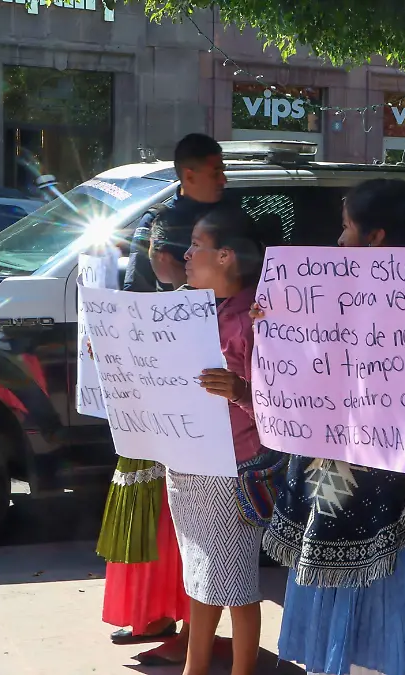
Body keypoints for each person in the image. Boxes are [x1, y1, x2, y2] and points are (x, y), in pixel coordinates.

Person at [260, 178, 405, 675]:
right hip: (339, 493)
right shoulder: (323, 298)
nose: (338, 240)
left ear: (377, 237)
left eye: (346, 228)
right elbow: (305, 378)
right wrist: (276, 324)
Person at [167, 205, 267, 675]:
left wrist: (240, 391)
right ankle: (196, 667)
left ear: (225, 256)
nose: (185, 255)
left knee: (237, 584)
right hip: (188, 462)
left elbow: (286, 407)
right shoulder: (186, 310)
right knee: (200, 574)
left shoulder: (258, 318)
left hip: (235, 469)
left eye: (196, 246)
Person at [97, 222, 193, 666]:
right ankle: (156, 614)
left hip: (184, 440)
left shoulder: (196, 307)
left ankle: (190, 633)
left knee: (180, 534)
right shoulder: (164, 303)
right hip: (152, 433)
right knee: (157, 528)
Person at [125, 133, 228, 292]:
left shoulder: (232, 217)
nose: (223, 180)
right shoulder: (156, 220)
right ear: (189, 176)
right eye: (216, 173)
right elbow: (135, 290)